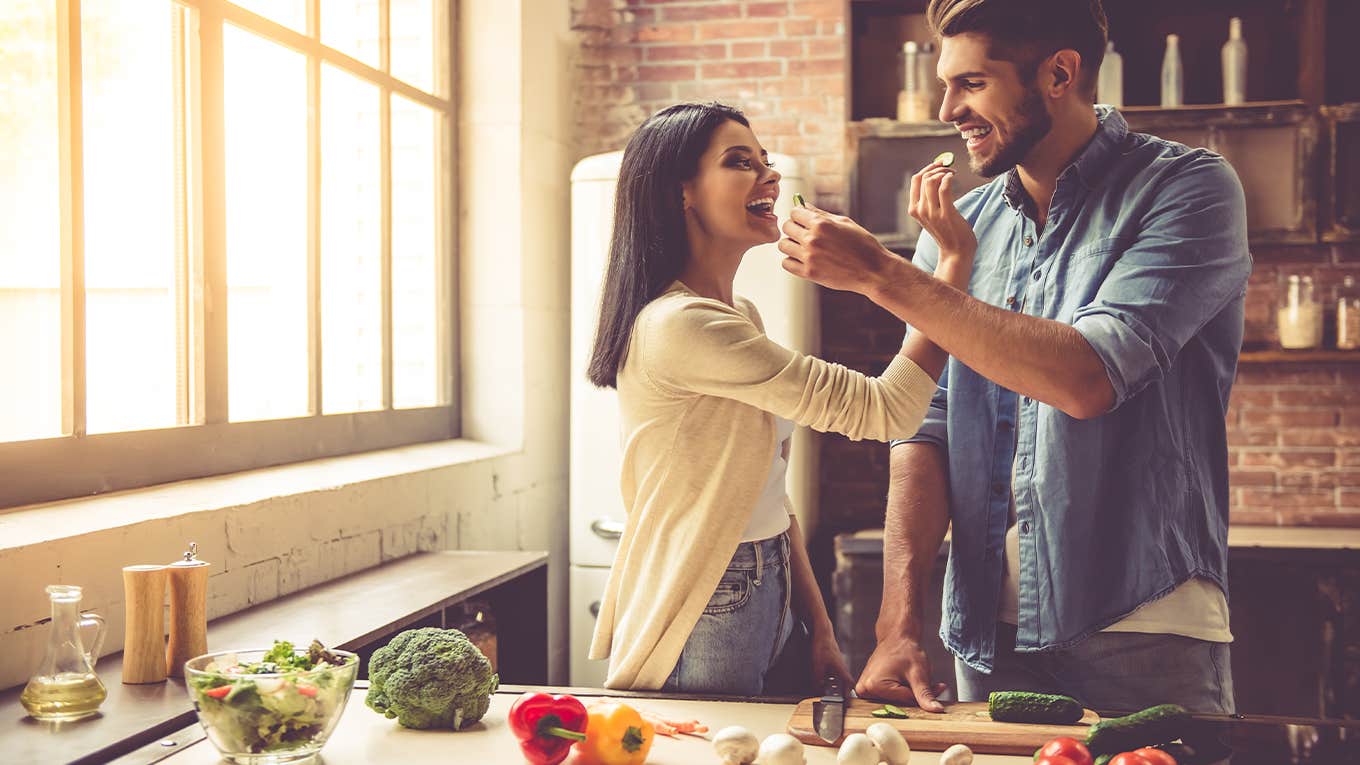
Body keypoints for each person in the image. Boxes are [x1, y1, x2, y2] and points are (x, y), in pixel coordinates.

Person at [778, 0, 1249, 714]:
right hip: (987, 635)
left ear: (1059, 73)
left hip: (1144, 621)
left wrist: (884, 273)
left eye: (971, 83)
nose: (947, 109)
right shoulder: (956, 235)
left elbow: (1088, 375)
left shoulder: (1187, 190)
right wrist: (899, 617)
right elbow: (927, 425)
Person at [586, 102, 973, 694]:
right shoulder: (683, 325)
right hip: (708, 595)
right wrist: (947, 264)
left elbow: (765, 490)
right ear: (681, 192)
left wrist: (815, 626)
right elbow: (888, 409)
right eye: (740, 162)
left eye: (766, 161)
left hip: (762, 579)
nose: (769, 175)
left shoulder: (737, 316)